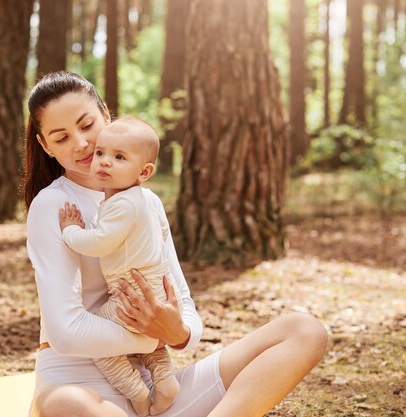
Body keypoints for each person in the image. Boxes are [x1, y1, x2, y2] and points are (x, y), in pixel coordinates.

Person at [23, 71, 328, 417]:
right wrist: (153, 338)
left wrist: (178, 332)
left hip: (154, 389)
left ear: (106, 116)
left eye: (87, 124)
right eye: (61, 138)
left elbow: (182, 304)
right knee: (67, 404)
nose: (81, 144)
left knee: (304, 331)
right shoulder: (54, 206)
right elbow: (65, 333)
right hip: (77, 384)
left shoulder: (147, 203)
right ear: (46, 146)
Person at [57, 116, 180, 416]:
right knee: (146, 339)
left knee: (100, 344)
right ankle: (164, 379)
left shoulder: (123, 204)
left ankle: (137, 392)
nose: (105, 162)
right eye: (101, 153)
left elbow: (100, 242)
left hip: (131, 291)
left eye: (119, 157)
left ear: (145, 171)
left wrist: (71, 231)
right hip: (152, 288)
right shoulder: (140, 200)